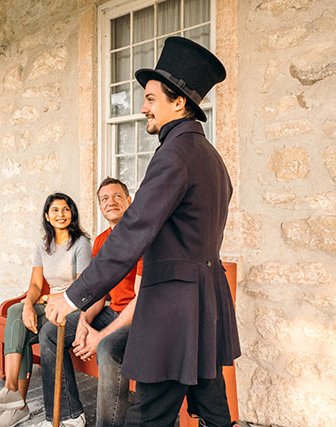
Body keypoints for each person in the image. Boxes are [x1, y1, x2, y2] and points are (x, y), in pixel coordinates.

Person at [45, 37, 241, 427]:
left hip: (174, 307)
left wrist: (73, 297)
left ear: (179, 102)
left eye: (151, 98)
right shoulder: (211, 157)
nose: (142, 107)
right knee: (214, 409)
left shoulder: (174, 154)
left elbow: (133, 231)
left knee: (151, 415)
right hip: (205, 305)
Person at [37, 177, 143, 427]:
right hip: (112, 311)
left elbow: (142, 300)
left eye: (117, 196)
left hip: (138, 318)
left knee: (107, 348)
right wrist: (84, 319)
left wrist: (100, 336)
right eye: (104, 198)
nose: (111, 202)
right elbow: (101, 292)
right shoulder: (101, 240)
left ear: (129, 201)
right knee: (51, 331)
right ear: (100, 207)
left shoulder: (141, 236)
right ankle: (70, 415)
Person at [0, 193, 91, 427]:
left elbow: (83, 286)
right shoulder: (43, 245)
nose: (60, 214)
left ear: (72, 214)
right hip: (49, 304)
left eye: (65, 209)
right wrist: (28, 304)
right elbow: (35, 285)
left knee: (23, 330)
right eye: (55, 210)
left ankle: (17, 403)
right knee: (16, 315)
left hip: (73, 307)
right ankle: (13, 394)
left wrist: (50, 298)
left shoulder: (81, 244)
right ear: (47, 216)